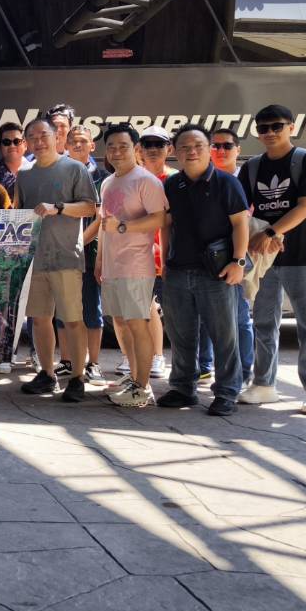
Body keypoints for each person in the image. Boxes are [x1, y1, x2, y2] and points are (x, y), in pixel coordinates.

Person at [241, 104, 306, 414]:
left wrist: (271, 232)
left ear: (291, 127)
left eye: (276, 126)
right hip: (264, 258)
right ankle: (264, 384)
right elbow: (241, 210)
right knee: (264, 322)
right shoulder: (252, 167)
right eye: (263, 128)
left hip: (302, 254)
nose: (269, 133)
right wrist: (260, 238)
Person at [156, 123, 250, 415]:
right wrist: (165, 262)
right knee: (181, 336)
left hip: (217, 272)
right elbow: (167, 225)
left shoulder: (227, 183)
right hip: (178, 271)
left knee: (224, 336)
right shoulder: (172, 185)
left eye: (198, 146)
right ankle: (183, 388)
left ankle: (226, 393)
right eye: (185, 147)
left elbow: (240, 224)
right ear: (175, 152)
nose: (192, 151)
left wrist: (238, 262)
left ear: (209, 149)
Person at [16, 117, 98, 402]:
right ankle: (47, 374)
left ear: (55, 138)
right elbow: (19, 213)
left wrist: (59, 207)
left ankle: (77, 377)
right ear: (27, 142)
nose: (38, 141)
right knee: (39, 319)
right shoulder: (24, 174)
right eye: (32, 137)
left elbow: (90, 207)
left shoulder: (74, 168)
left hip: (66, 256)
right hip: (35, 259)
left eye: (43, 135)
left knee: (72, 320)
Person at [95, 125, 167, 408]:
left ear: (135, 149)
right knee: (121, 323)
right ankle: (134, 379)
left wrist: (123, 226)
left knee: (138, 324)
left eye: (123, 146)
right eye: (111, 146)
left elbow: (160, 219)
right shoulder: (107, 182)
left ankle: (143, 387)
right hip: (112, 265)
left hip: (136, 265)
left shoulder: (146, 181)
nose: (116, 152)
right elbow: (105, 225)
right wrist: (100, 260)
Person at [197, 126, 256, 389]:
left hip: (236, 257)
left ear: (238, 150)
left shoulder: (247, 179)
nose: (221, 151)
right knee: (204, 316)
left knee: (239, 317)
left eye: (227, 146)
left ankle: (243, 372)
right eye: (216, 146)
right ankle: (204, 367)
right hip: (205, 257)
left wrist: (239, 260)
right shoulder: (201, 176)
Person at [68, 124, 109, 384]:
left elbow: (102, 217)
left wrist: (80, 242)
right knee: (66, 312)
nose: (78, 145)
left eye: (83, 141)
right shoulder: (60, 173)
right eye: (73, 141)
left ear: (92, 145)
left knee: (92, 310)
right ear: (66, 146)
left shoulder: (103, 177)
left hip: (91, 252)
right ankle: (69, 362)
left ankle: (93, 363)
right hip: (63, 253)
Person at [137, 126, 173, 381]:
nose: (152, 149)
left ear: (168, 149)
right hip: (138, 258)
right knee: (139, 311)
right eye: (147, 144)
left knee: (172, 313)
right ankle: (138, 358)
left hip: (168, 258)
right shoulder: (133, 178)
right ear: (139, 149)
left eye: (158, 144)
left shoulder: (175, 180)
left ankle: (161, 358)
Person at [0, 121, 25, 201]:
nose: (12, 146)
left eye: (17, 141)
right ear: (0, 147)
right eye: (6, 142)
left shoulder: (38, 169)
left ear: (25, 145)